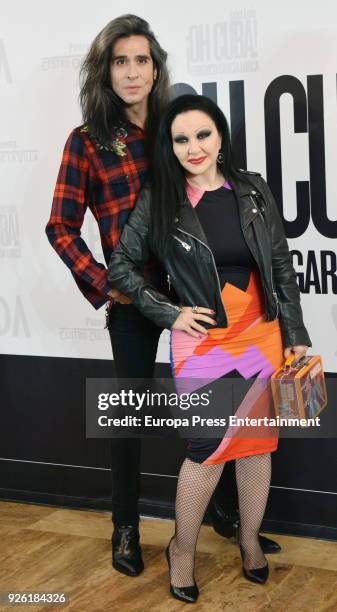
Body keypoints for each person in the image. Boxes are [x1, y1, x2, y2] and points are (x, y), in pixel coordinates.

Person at [45, 12, 280, 577]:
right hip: (133, 301)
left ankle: (226, 515)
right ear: (105, 71)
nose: (132, 72)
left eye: (141, 61)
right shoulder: (88, 141)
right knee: (127, 418)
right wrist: (107, 287)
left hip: (197, 300)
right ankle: (125, 527)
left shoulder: (177, 128)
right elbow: (59, 227)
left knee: (223, 413)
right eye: (119, 61)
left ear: (156, 68)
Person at [107, 94, 311, 602]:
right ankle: (182, 549)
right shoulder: (161, 199)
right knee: (208, 450)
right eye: (181, 138)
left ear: (220, 137)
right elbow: (121, 268)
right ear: (169, 146)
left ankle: (248, 542)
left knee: (258, 445)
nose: (194, 147)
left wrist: (297, 335)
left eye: (203, 135)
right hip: (203, 344)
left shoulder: (253, 190)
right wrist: (169, 311)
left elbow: (281, 269)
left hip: (262, 334)